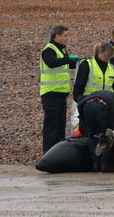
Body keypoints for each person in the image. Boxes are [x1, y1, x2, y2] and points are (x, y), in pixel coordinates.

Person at [39, 25, 80, 153]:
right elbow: (52, 63)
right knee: (51, 126)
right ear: (57, 36)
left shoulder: (61, 50)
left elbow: (68, 63)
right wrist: (68, 59)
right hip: (51, 94)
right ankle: (48, 153)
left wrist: (81, 62)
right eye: (65, 36)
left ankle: (58, 153)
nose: (67, 38)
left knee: (60, 125)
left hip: (61, 94)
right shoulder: (49, 50)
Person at [77, 90, 114, 172]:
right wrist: (112, 129)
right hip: (101, 106)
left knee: (92, 135)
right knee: (106, 135)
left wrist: (83, 131)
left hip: (87, 107)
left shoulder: (84, 100)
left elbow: (82, 119)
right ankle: (105, 165)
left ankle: (96, 164)